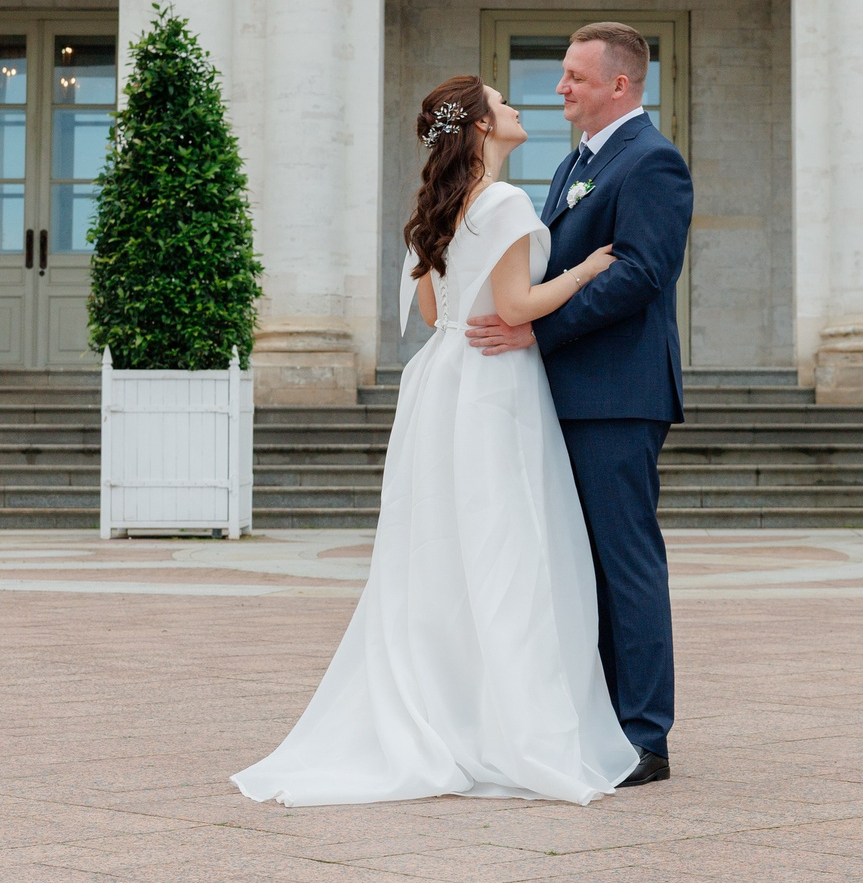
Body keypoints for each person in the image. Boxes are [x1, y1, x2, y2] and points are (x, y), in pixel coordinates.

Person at [231, 75, 641, 806]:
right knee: (506, 546)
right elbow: (515, 306)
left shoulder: (442, 206)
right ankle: (503, 721)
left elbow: (430, 309)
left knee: (443, 549)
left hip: (440, 379)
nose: (516, 107)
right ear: (481, 125)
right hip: (493, 384)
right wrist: (585, 269)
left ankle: (445, 710)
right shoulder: (505, 201)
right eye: (502, 102)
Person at [465, 23, 693, 786]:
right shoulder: (575, 163)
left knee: (624, 561)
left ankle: (644, 735)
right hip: (569, 393)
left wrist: (538, 329)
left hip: (617, 395)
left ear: (619, 85)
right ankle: (601, 723)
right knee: (582, 564)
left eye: (574, 75)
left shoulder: (652, 160)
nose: (560, 86)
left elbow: (642, 272)